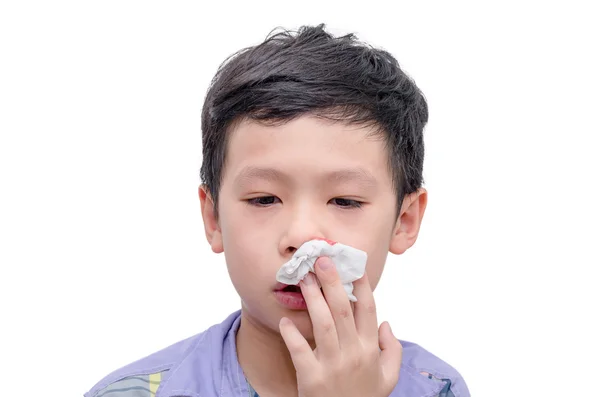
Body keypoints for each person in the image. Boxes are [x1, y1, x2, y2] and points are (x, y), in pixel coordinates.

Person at [85, 24, 470, 397]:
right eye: (264, 199)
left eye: (345, 201)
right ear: (214, 217)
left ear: (404, 221)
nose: (301, 237)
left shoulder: (438, 389)